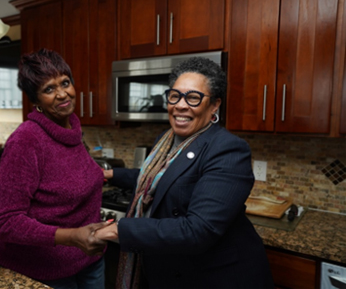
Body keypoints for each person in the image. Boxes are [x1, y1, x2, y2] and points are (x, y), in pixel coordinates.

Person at [96, 57, 274, 288]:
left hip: (214, 277)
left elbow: (198, 230)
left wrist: (119, 229)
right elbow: (161, 178)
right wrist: (111, 175)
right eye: (174, 96)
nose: (180, 105)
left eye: (193, 98)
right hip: (169, 269)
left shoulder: (228, 150)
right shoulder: (167, 139)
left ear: (214, 105)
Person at [0, 48, 108, 289]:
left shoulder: (71, 126)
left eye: (65, 82)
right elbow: (3, 221)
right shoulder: (26, 140)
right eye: (49, 89)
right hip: (44, 269)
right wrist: (72, 237)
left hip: (90, 260)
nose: (62, 94)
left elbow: (72, 176)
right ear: (35, 101)